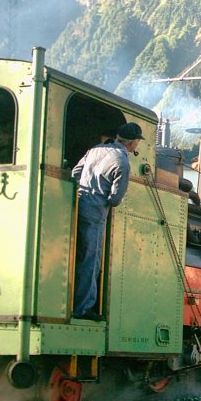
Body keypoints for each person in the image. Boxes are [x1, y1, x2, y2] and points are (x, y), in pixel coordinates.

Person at [71, 122, 144, 320]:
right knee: (91, 261)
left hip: (77, 206)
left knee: (76, 257)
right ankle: (82, 308)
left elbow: (75, 173)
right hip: (95, 214)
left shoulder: (95, 150)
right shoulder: (122, 162)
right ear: (134, 143)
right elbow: (116, 199)